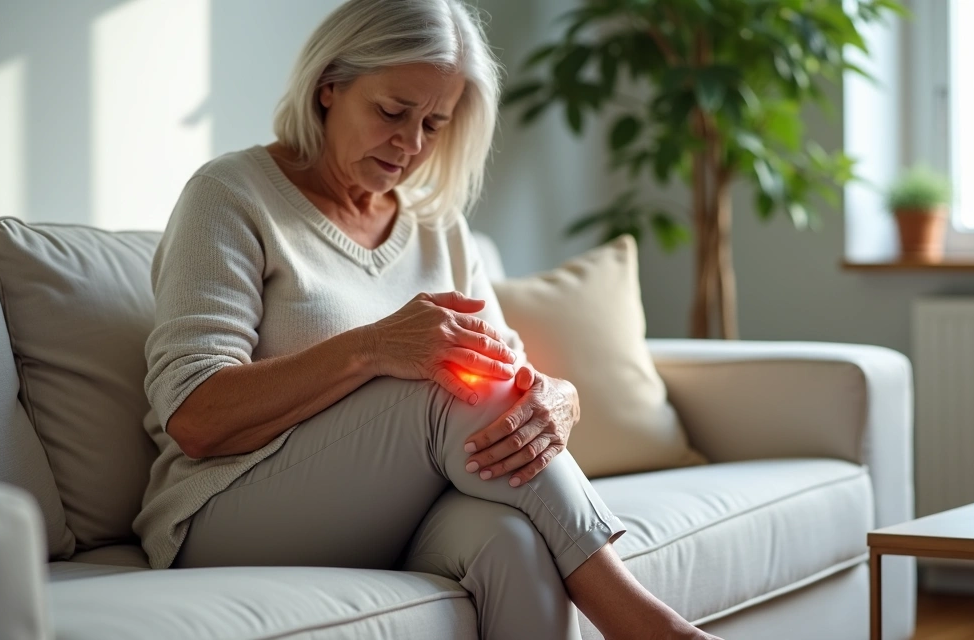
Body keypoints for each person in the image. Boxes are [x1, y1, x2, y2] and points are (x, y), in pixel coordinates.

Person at [130, 0, 720, 638]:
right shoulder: (231, 195)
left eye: (434, 124)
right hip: (226, 512)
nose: (410, 144)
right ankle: (651, 627)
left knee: (512, 541)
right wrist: (372, 349)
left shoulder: (439, 229)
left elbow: (505, 379)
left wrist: (561, 397)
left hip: (396, 512)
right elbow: (193, 417)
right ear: (329, 87)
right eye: (392, 112)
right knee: (441, 388)